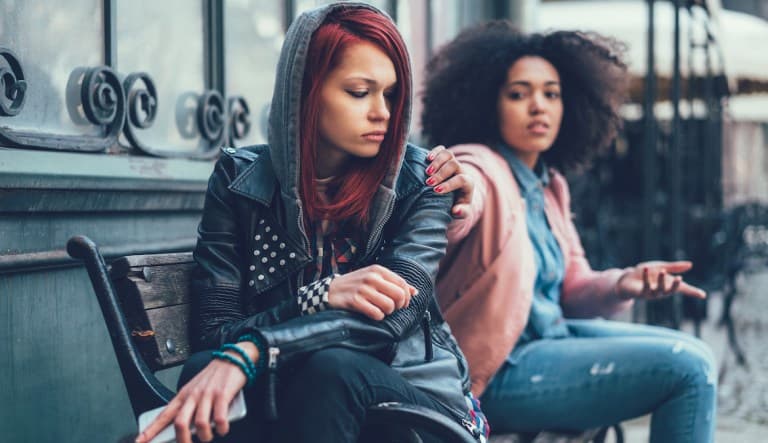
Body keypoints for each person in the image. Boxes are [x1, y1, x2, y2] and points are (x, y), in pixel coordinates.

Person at [136, 4, 487, 443]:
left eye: (392, 95)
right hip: (302, 407)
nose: (383, 112)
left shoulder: (425, 180)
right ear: (304, 91)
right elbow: (213, 331)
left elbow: (388, 322)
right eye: (360, 92)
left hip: (416, 411)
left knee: (334, 368)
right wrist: (315, 299)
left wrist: (256, 347)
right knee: (205, 367)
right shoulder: (241, 181)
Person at [421, 21, 717, 442]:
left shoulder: (548, 184)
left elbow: (572, 287)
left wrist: (624, 283)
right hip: (497, 369)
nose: (538, 106)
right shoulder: (482, 163)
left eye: (551, 93)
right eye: (518, 94)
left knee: (697, 353)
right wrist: (458, 194)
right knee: (687, 370)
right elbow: (467, 198)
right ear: (489, 104)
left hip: (550, 339)